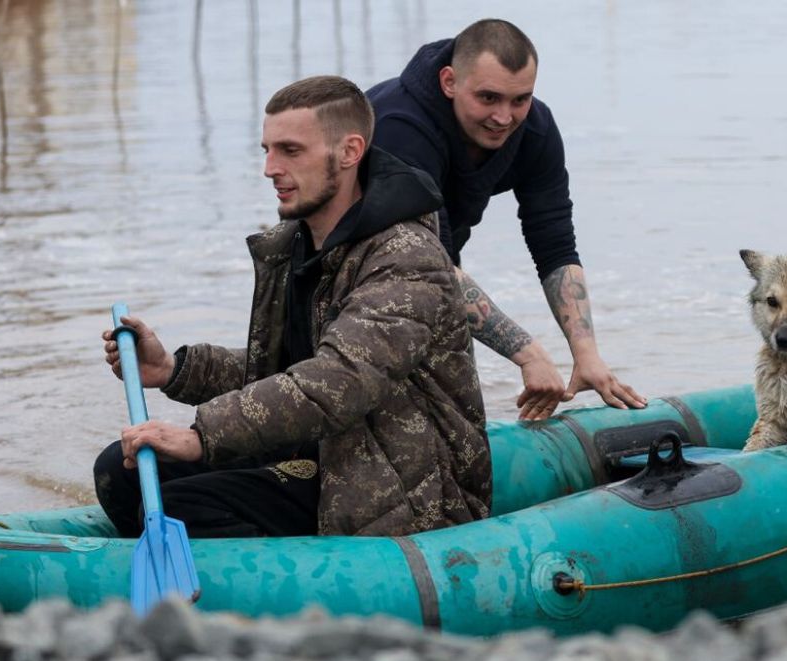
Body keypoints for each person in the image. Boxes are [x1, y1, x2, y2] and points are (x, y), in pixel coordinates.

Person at [94, 75, 491, 538]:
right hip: (319, 454)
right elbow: (284, 369)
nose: (269, 168)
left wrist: (202, 437)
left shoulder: (405, 256)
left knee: (178, 505)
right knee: (119, 474)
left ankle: (263, 598)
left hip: (403, 486)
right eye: (266, 149)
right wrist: (173, 368)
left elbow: (339, 380)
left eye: (290, 151)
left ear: (349, 152)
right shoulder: (296, 246)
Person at [367, 18, 647, 421]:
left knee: (458, 420)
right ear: (449, 82)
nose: (504, 117)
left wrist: (586, 355)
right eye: (488, 98)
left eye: (520, 99)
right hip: (344, 280)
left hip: (432, 273)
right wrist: (528, 353)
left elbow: (554, 242)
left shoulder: (534, 129)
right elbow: (429, 267)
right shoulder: (401, 127)